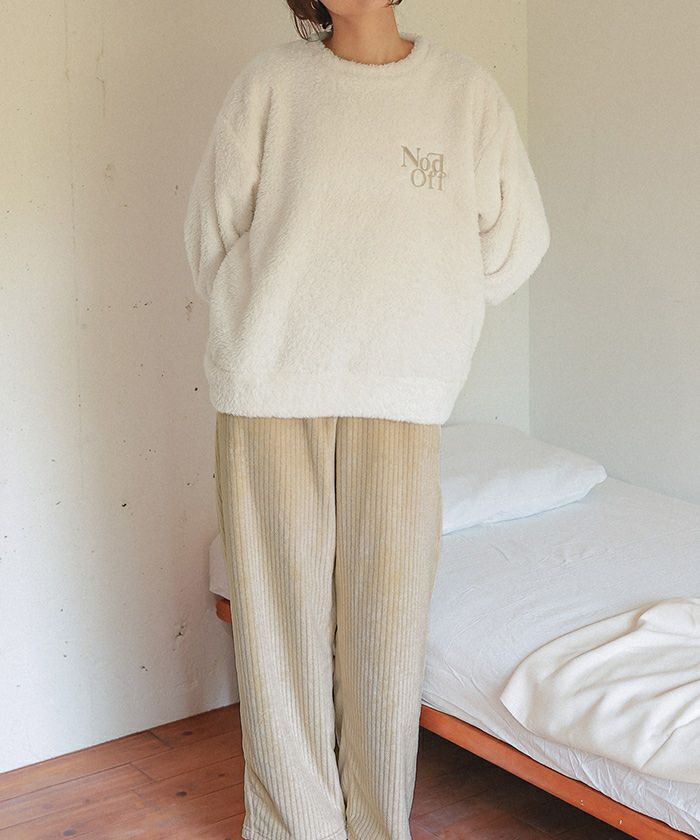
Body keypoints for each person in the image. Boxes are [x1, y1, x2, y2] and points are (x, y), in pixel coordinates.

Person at [183, 1, 550, 838]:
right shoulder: (271, 85)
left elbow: (514, 242)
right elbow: (211, 234)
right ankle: (293, 826)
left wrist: (425, 312)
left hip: (403, 390)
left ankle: (380, 825)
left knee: (386, 625)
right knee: (278, 622)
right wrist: (266, 318)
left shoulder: (464, 92)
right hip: (270, 386)